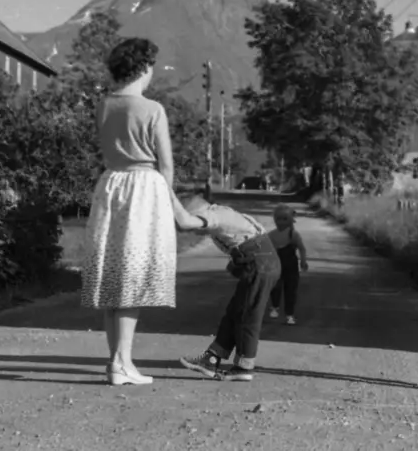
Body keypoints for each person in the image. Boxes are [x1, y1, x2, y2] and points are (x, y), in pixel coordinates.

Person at [80, 37, 211, 387]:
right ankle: (122, 363)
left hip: (111, 187)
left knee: (113, 280)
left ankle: (116, 361)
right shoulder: (152, 110)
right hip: (143, 190)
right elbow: (165, 166)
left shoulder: (104, 105)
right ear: (142, 68)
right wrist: (170, 207)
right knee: (132, 282)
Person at [177, 195, 282, 382]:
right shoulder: (220, 213)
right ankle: (211, 359)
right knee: (234, 313)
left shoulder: (215, 216)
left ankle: (244, 367)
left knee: (247, 316)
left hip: (260, 264)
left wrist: (180, 216)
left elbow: (187, 223)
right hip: (260, 262)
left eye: (196, 225)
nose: (196, 232)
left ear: (199, 213)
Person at [266, 205, 309, 325]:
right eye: (278, 219)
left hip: (291, 265)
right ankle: (275, 307)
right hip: (276, 263)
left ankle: (289, 314)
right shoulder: (271, 235)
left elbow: (302, 248)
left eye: (284, 219)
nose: (281, 222)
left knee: (291, 289)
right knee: (275, 287)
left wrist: (303, 261)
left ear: (290, 220)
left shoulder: (293, 234)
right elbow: (267, 250)